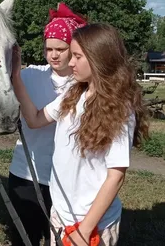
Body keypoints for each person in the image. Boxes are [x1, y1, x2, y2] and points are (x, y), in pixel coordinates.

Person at [11, 23, 149, 246]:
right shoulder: (73, 94)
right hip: (61, 214)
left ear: (98, 59)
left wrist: (84, 230)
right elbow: (35, 120)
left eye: (77, 56)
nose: (70, 62)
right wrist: (16, 78)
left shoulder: (119, 108)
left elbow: (116, 176)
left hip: (92, 223)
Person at [8, 3, 86, 246]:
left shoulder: (83, 85)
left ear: (74, 49)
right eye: (49, 48)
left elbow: (36, 120)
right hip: (25, 173)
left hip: (66, 179)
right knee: (24, 238)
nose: (53, 55)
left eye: (61, 49)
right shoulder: (30, 75)